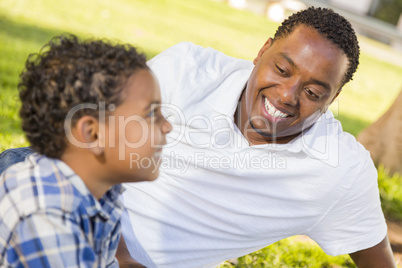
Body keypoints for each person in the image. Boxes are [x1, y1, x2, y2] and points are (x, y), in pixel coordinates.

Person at [0, 7, 396, 268]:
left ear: (334, 99)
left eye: (313, 93)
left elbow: (376, 259)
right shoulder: (187, 69)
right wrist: (118, 253)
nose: (287, 96)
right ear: (263, 51)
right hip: (71, 207)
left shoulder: (340, 170)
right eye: (282, 69)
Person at [0, 34, 171, 267]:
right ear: (93, 135)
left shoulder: (101, 194)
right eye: (151, 113)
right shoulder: (46, 217)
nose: (168, 126)